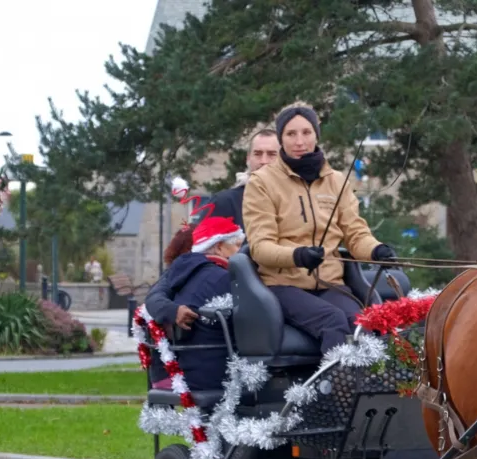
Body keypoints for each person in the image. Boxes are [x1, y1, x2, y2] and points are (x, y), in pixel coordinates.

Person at [242, 101, 396, 353]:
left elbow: (356, 234)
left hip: (330, 284)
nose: (299, 141)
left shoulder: (337, 181)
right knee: (332, 321)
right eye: (291, 134)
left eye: (306, 132)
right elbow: (260, 247)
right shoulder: (262, 183)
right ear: (281, 139)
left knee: (366, 325)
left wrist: (377, 250)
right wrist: (297, 255)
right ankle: (336, 390)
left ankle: (373, 390)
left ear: (316, 134)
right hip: (283, 285)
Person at [144, 215, 244, 392]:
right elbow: (154, 297)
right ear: (219, 247)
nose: (241, 251)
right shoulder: (223, 277)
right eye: (237, 245)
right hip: (212, 374)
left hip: (181, 368)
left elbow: (153, 297)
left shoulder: (184, 269)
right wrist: (173, 311)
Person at [204, 129, 280, 230]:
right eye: (257, 154)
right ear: (248, 159)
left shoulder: (296, 200)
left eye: (271, 154)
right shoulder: (224, 202)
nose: (264, 161)